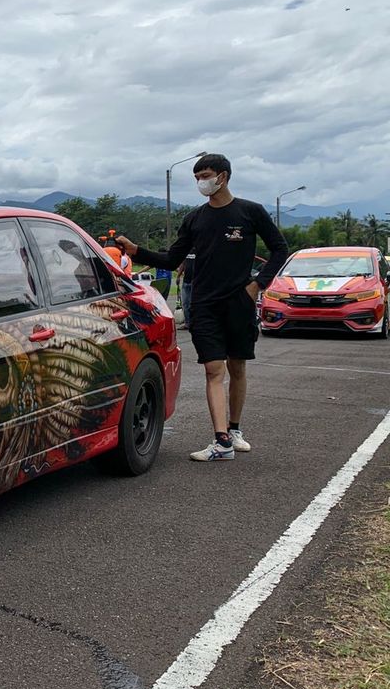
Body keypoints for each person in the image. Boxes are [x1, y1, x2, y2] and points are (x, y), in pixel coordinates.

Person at [115, 153, 288, 462]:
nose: (200, 182)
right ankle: (221, 442)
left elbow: (279, 249)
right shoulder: (195, 218)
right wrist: (137, 251)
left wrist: (257, 285)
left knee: (237, 367)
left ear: (223, 176)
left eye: (205, 175)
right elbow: (171, 258)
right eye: (196, 177)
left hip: (240, 302)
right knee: (213, 368)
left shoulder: (250, 212)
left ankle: (234, 430)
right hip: (204, 304)